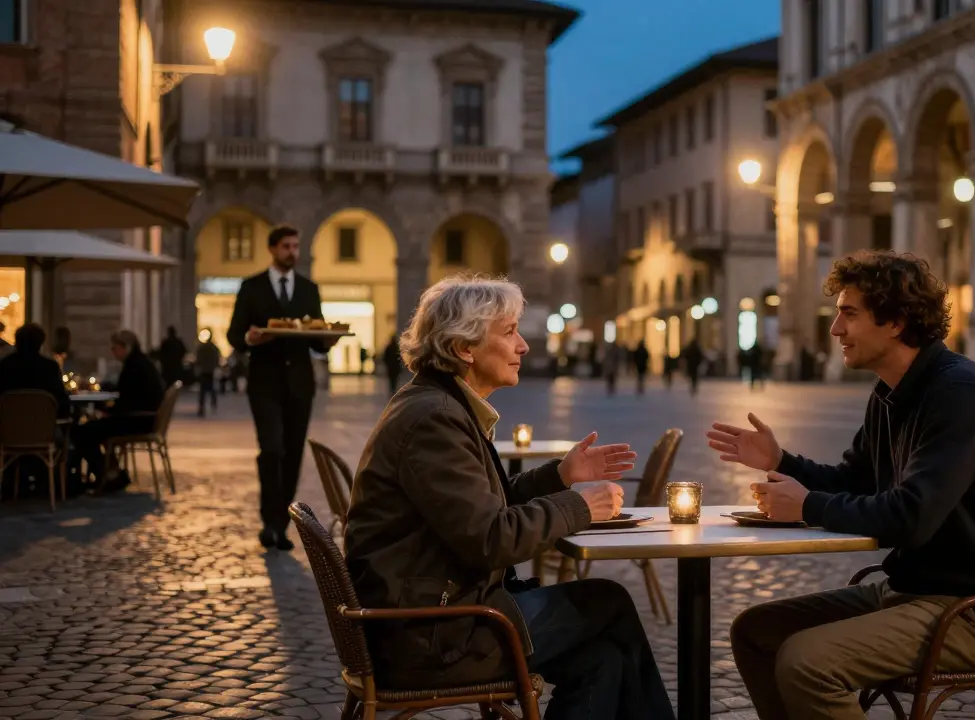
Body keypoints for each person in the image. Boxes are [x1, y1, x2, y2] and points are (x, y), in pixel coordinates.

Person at [708, 250, 975, 720]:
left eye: (849, 314)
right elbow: (855, 480)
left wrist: (808, 506)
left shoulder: (959, 394)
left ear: (895, 321)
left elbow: (911, 518)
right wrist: (779, 460)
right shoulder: (890, 392)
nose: (835, 330)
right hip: (914, 591)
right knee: (756, 630)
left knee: (807, 662)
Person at [344, 275, 675, 719]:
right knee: (607, 605)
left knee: (605, 657)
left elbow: (480, 508)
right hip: (430, 634)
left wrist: (560, 475)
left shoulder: (436, 404)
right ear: (465, 348)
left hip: (430, 614)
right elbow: (490, 539)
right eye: (509, 332)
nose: (523, 346)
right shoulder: (434, 420)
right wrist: (580, 506)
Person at [227, 225, 337, 551]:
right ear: (273, 249)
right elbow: (235, 335)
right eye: (287, 246)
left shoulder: (308, 289)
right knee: (272, 449)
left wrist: (328, 339)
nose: (292, 252)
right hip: (264, 383)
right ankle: (269, 520)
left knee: (292, 454)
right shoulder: (252, 288)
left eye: (295, 246)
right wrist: (251, 338)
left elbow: (317, 337)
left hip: (301, 384)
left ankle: (281, 524)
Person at [73, 330, 165, 492]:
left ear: (126, 347)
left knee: (84, 432)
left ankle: (106, 475)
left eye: (115, 348)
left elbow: (126, 401)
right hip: (144, 419)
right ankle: (112, 472)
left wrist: (102, 408)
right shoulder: (140, 363)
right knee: (93, 428)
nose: (113, 352)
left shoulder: (134, 366)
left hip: (136, 420)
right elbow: (127, 392)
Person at [0, 323, 71, 418]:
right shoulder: (50, 367)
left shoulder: (4, 365)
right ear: (40, 343)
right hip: (43, 429)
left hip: (7, 429)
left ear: (17, 341)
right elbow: (62, 404)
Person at [194, 329, 222, 417]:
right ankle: (213, 404)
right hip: (210, 370)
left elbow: (198, 358)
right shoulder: (213, 348)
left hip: (204, 371)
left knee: (203, 390)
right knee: (211, 388)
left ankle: (202, 407)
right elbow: (217, 358)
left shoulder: (202, 348)